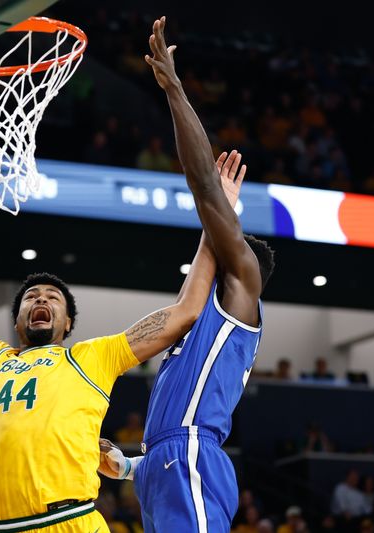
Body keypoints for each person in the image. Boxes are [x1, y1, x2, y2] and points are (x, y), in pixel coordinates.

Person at [0, 70, 254, 533]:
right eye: (32, 297)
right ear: (17, 320)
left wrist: (219, 218)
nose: (41, 300)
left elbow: (185, 312)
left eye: (52, 298)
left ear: (67, 321)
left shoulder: (91, 358)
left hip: (73, 522)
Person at [99, 17, 274, 533]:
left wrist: (174, 88)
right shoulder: (199, 314)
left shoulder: (242, 287)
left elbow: (202, 185)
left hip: (190, 456)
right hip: (162, 464)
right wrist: (131, 465)